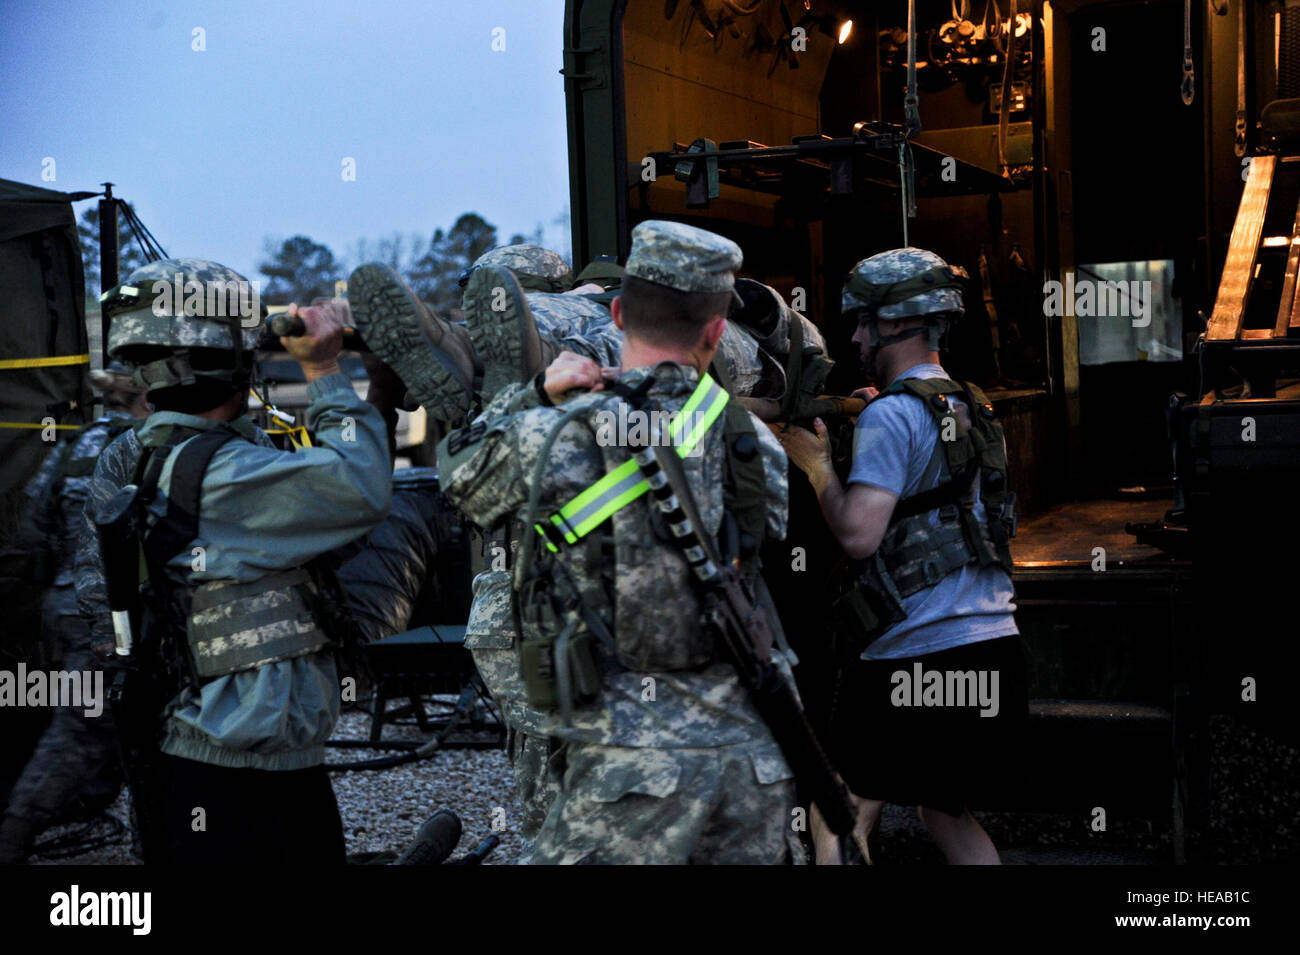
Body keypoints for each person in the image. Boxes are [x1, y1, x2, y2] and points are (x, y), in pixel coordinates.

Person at [436, 221, 800, 864]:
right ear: (718, 332)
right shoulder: (757, 443)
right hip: (753, 756)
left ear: (616, 313)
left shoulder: (562, 431)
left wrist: (532, 394)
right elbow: (763, 542)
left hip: (629, 761)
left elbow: (460, 475)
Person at [78, 257, 390, 864]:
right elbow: (361, 489)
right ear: (232, 362)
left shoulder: (167, 455)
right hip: (238, 781)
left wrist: (381, 393)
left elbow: (334, 531)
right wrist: (324, 370)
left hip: (230, 761)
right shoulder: (217, 474)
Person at [769, 247, 1027, 865]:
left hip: (914, 656)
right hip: (994, 651)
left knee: (839, 808)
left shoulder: (892, 415)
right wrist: (881, 408)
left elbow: (859, 535)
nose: (855, 335)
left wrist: (817, 467)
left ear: (895, 323)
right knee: (945, 810)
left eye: (862, 321)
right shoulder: (972, 405)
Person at [0, 366, 150, 864]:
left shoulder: (76, 445)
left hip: (66, 605)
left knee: (128, 723)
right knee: (83, 728)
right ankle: (13, 835)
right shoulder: (152, 444)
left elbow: (35, 529)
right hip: (113, 613)